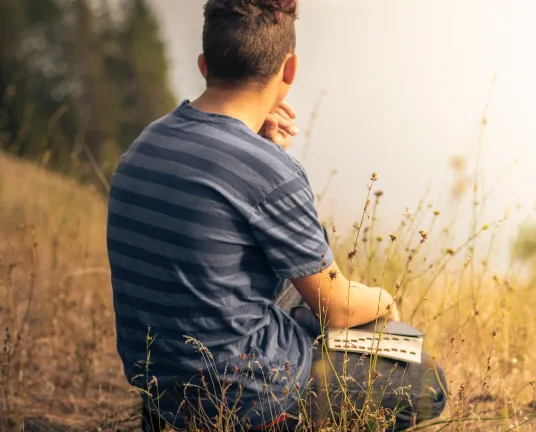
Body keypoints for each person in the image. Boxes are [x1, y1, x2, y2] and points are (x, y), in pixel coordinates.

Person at [106, 0, 447, 430]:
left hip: (162, 391)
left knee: (299, 291)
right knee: (427, 382)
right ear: (289, 71)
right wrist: (384, 300)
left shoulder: (145, 144)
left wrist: (265, 152)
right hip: (242, 398)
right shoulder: (270, 173)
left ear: (204, 64)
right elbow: (337, 308)